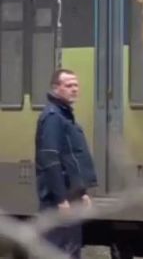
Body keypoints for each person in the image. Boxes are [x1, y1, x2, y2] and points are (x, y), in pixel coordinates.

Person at [35, 69, 98, 258]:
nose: (74, 89)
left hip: (71, 197)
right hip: (58, 202)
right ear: (56, 88)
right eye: (68, 85)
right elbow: (50, 160)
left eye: (76, 85)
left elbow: (71, 159)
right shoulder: (53, 118)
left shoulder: (65, 117)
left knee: (70, 250)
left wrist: (82, 192)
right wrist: (61, 199)